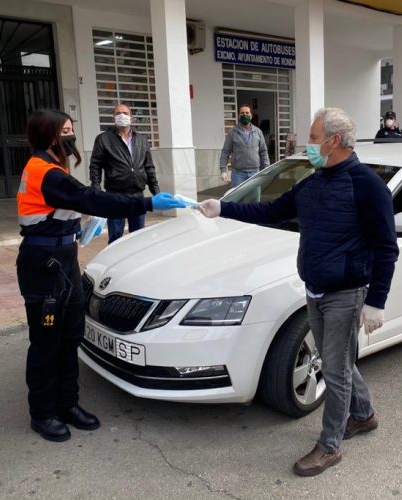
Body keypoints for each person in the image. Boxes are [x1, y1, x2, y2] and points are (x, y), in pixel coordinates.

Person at [199, 108, 399, 476]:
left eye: (312, 136)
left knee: (334, 371)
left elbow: (387, 248)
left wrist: (376, 302)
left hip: (346, 293)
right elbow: (272, 210)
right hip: (315, 289)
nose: (307, 143)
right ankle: (364, 414)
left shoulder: (367, 186)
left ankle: (330, 446)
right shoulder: (314, 180)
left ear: (333, 141)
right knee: (337, 362)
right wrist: (223, 208)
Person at [17, 109, 185, 443]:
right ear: (49, 135)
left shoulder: (55, 168)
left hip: (64, 260)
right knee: (47, 342)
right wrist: (147, 204)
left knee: (70, 335)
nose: (71, 136)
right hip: (43, 266)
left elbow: (69, 207)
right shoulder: (44, 171)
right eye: (65, 130)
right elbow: (91, 197)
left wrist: (80, 226)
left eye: (71, 129)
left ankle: (68, 405)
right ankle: (43, 412)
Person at [89, 103, 160, 243]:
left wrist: (156, 192)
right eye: (118, 113)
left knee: (138, 237)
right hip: (115, 196)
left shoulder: (142, 140)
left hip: (138, 195)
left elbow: (149, 167)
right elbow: (95, 166)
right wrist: (96, 192)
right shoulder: (103, 139)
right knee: (115, 238)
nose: (122, 116)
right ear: (113, 119)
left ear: (131, 118)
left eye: (125, 113)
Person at [219, 104, 271, 187]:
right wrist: (223, 170)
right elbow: (225, 152)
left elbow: (263, 152)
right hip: (238, 174)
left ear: (251, 115)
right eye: (242, 113)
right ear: (239, 116)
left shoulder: (258, 132)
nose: (245, 115)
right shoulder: (232, 132)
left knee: (254, 199)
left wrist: (267, 169)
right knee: (238, 199)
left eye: (247, 113)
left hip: (255, 173)